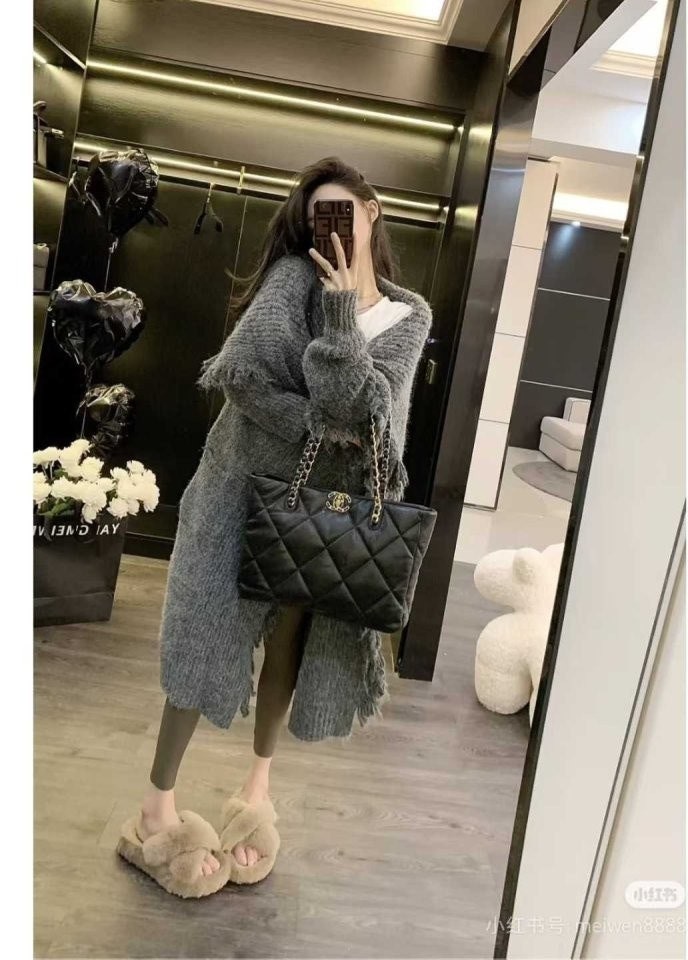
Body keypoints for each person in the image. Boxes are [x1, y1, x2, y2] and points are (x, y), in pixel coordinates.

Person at [116, 157, 433, 896]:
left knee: (294, 635)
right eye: (318, 216)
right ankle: (156, 807)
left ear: (372, 210)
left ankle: (255, 793)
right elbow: (244, 379)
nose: (331, 227)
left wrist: (341, 318)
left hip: (322, 515)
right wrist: (323, 426)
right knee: (204, 630)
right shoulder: (291, 281)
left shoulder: (408, 315)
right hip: (237, 490)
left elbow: (369, 410)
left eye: (343, 211)